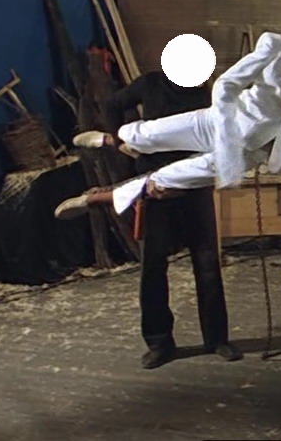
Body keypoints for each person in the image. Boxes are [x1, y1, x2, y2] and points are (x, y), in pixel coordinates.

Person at [55, 31, 281, 219]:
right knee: (147, 135)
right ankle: (109, 141)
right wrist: (226, 136)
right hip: (224, 119)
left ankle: (98, 199)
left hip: (254, 150)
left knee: (169, 178)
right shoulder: (278, 46)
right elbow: (227, 84)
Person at [79, 71, 242, 369]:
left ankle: (217, 338)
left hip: (194, 183)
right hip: (154, 184)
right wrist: (119, 142)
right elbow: (112, 104)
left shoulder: (206, 91)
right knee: (153, 265)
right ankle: (158, 342)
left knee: (207, 263)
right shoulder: (150, 83)